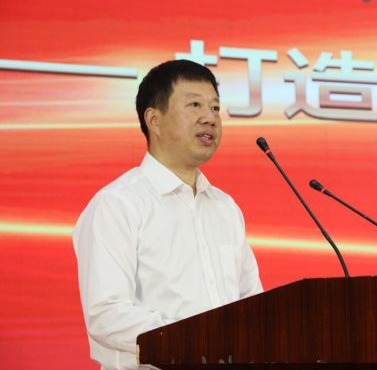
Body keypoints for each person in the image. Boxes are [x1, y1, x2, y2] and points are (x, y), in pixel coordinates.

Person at [72, 60, 262, 370]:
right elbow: (106, 314)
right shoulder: (118, 204)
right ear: (154, 120)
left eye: (215, 108)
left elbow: (251, 302)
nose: (210, 118)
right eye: (195, 105)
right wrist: (195, 340)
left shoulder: (225, 207)